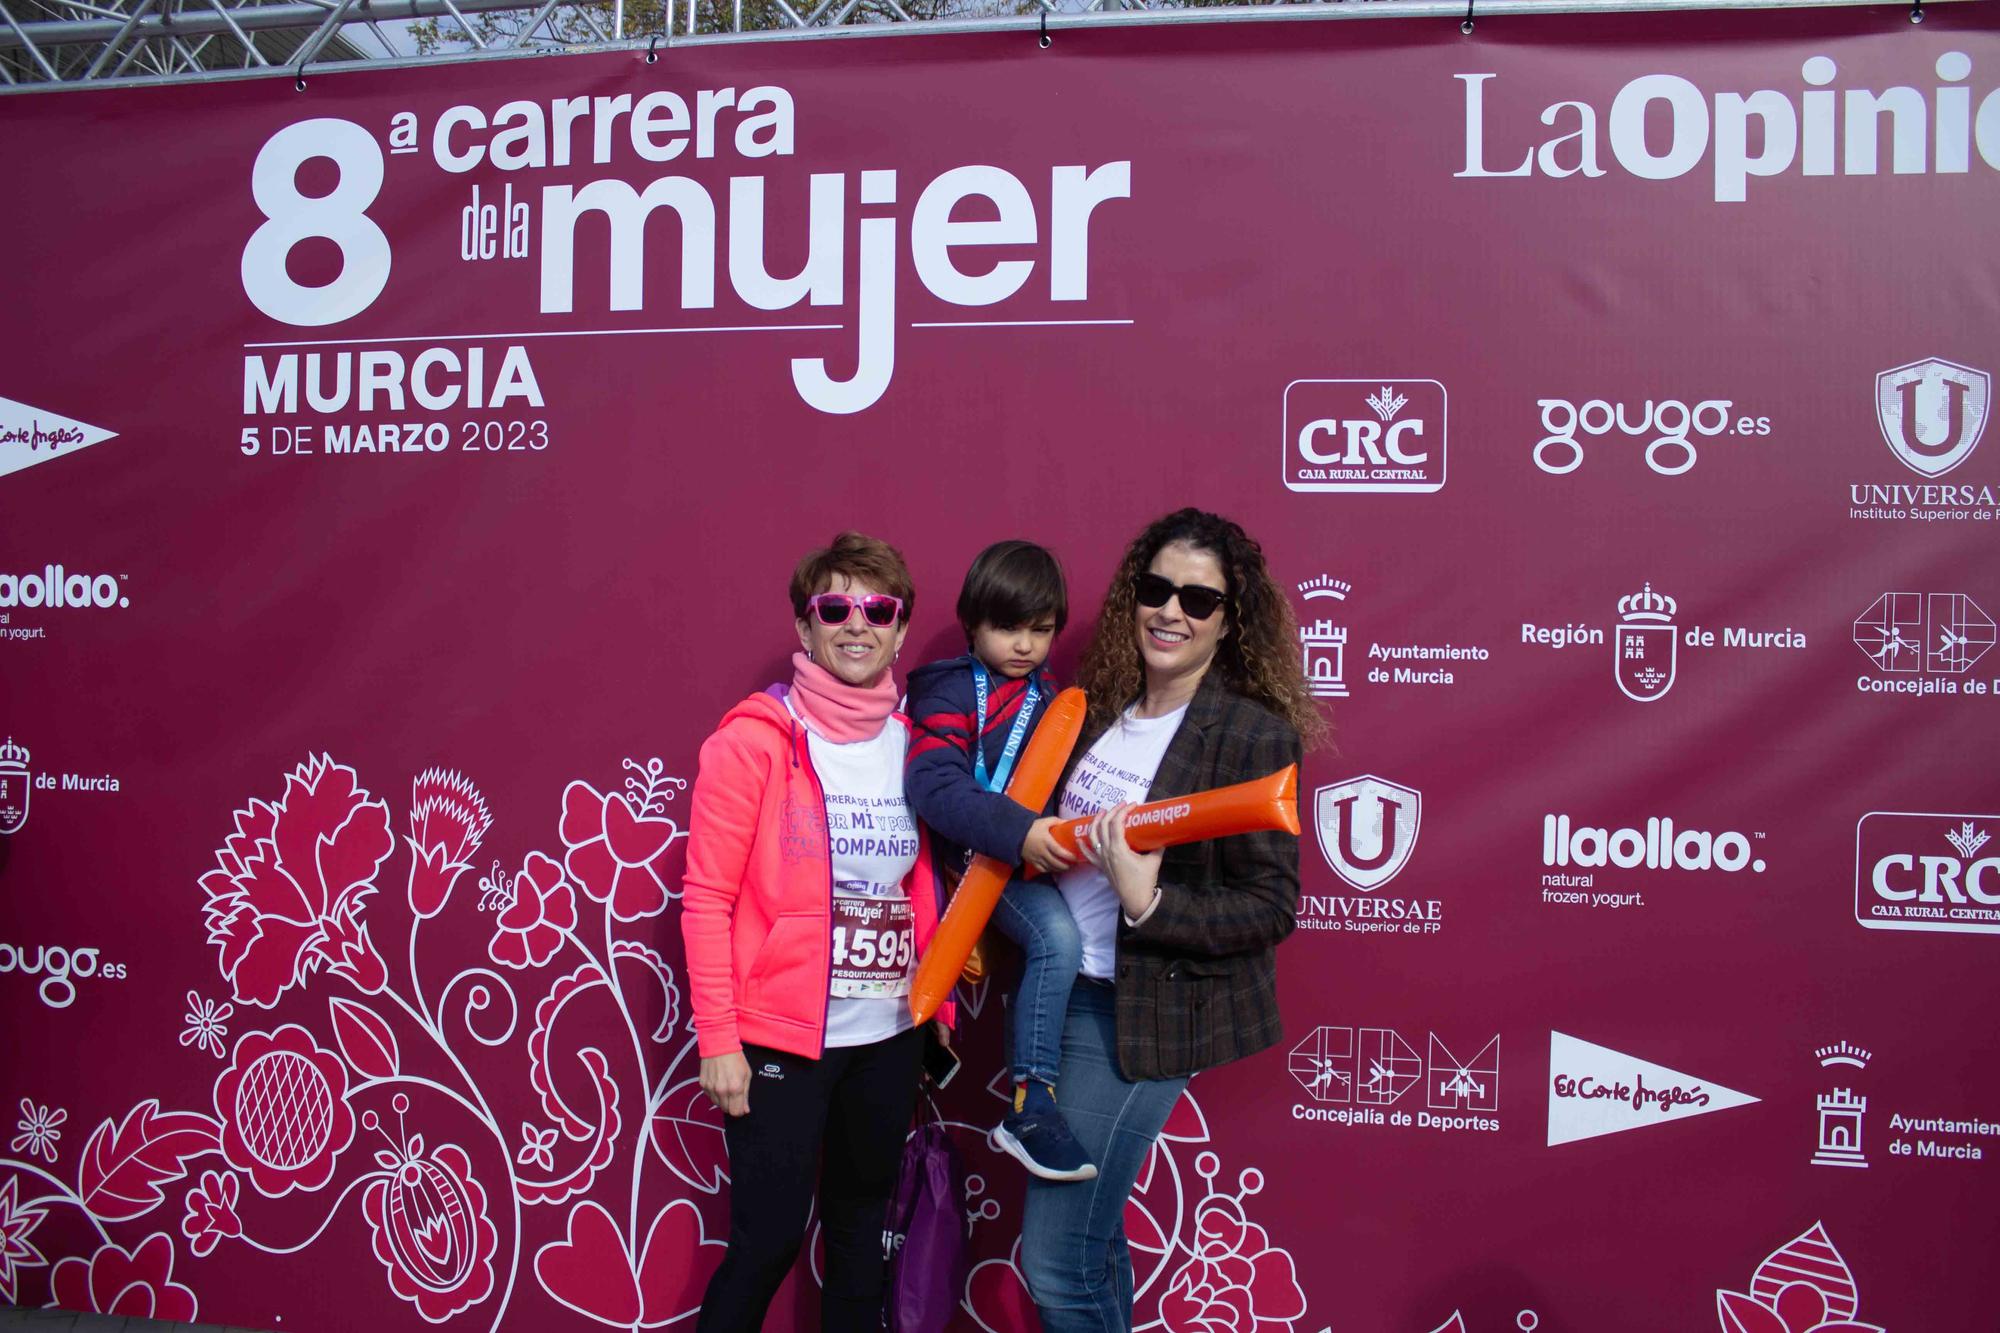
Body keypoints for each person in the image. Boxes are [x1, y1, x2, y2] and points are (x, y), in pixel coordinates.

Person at [1019, 508, 1327, 1333]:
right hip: (1064, 999)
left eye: (1199, 599)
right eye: (1157, 589)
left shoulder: (1252, 737)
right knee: (1092, 1249)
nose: (1173, 612)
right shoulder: (1097, 709)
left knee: (1053, 1260)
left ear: (1228, 624)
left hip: (1145, 1015)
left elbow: (1271, 905)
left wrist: (1149, 899)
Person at [680, 532, 951, 1333]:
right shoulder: (753, 741)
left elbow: (922, 889)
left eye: (879, 608)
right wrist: (719, 1037)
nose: (856, 623)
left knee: (862, 1233)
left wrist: (937, 1003)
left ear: (901, 629)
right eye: (834, 607)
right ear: (806, 627)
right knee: (766, 1240)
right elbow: (705, 899)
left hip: (889, 1032)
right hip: (779, 1041)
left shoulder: (917, 747)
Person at [905, 540, 1096, 1182]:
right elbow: (934, 788)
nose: (1024, 645)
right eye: (1007, 627)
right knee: (1059, 937)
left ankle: (1038, 1101)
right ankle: (1033, 1101)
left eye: (1040, 631)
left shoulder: (1055, 701)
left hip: (1019, 865)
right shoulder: (948, 691)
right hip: (967, 860)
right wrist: (1020, 833)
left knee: (1076, 935)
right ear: (972, 623)